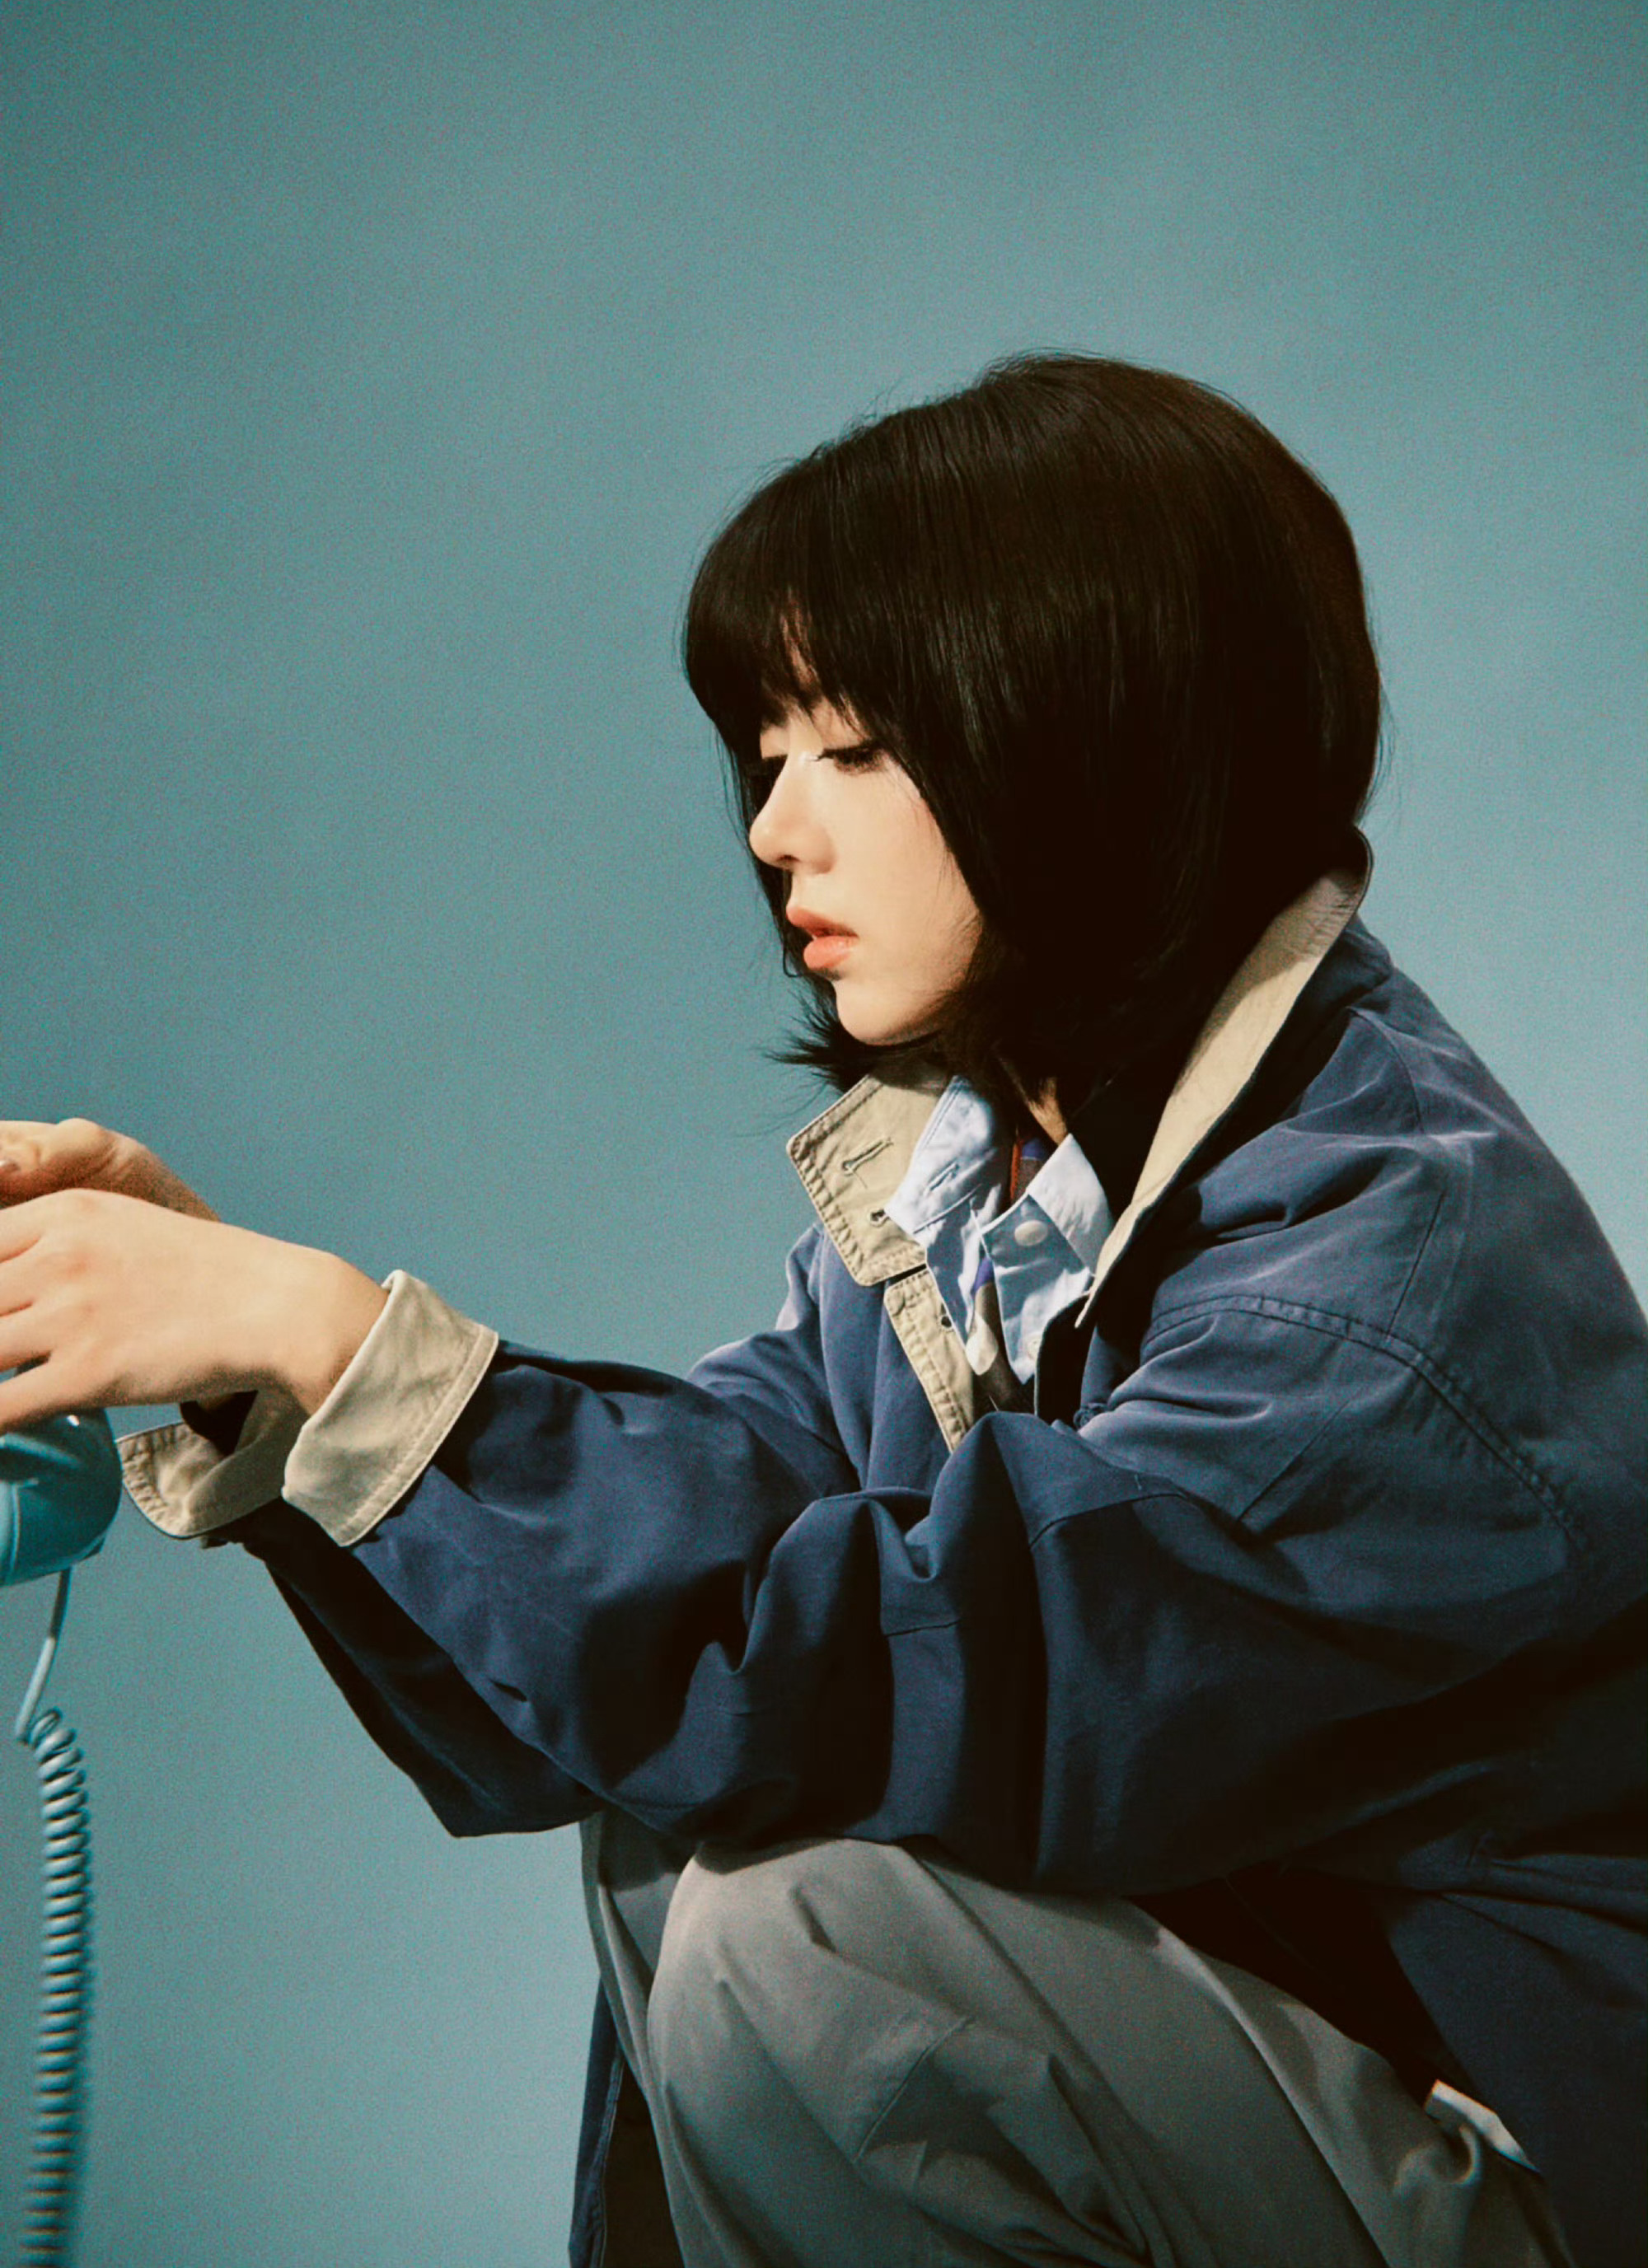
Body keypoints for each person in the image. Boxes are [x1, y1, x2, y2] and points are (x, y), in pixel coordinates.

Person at [0, 356, 1641, 2268]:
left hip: (1526, 2178)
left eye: (848, 747)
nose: (774, 830)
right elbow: (619, 1662)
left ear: (1095, 738)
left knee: (805, 1928)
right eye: (763, 754)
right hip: (1292, 2127)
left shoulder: (1380, 1264)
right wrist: (266, 1382)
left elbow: (931, 1669)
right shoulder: (994, 1188)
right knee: (676, 1831)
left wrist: (343, 1344)